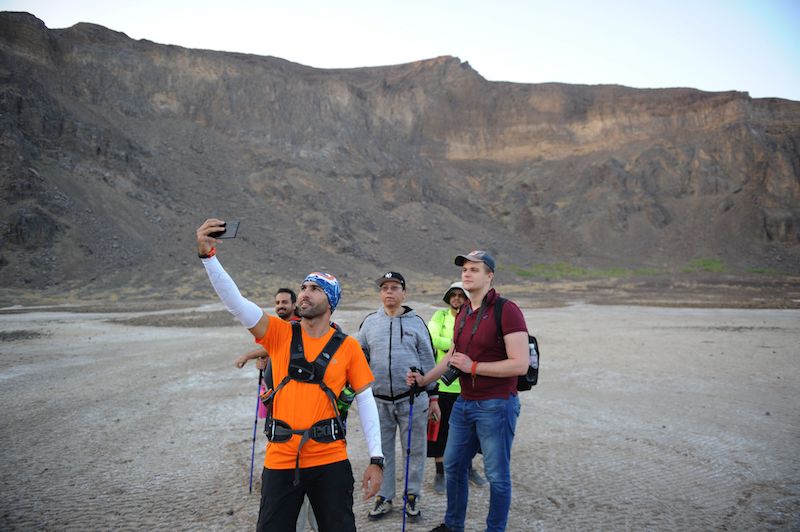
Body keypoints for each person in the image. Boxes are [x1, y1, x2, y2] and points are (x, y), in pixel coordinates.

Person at [196, 218, 384, 532]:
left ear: (331, 301)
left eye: (315, 288)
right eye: (304, 286)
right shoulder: (279, 334)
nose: (305, 292)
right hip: (280, 459)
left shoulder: (348, 347)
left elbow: (365, 402)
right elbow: (236, 303)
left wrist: (376, 460)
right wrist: (209, 256)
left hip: (330, 459)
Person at [407, 251, 530, 532]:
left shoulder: (507, 310)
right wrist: (424, 379)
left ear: (490, 276)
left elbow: (520, 364)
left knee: (497, 476)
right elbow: (452, 355)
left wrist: (473, 366)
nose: (467, 274)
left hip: (497, 405)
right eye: (465, 269)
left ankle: (494, 529)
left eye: (475, 269)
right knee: (453, 466)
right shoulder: (463, 312)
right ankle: (453, 526)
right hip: (464, 404)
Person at [355, 272, 439, 521]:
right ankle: (385, 496)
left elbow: (428, 359)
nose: (389, 292)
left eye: (394, 288)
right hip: (379, 400)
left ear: (404, 293)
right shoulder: (370, 322)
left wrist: (433, 398)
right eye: (384, 288)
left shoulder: (417, 323)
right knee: (383, 451)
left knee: (414, 449)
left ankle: (412, 495)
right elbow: (360, 357)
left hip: (412, 400)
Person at [233, 287, 319, 532]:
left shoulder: (296, 327)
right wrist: (266, 360)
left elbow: (280, 347)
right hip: (277, 407)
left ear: (294, 305)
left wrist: (250, 354)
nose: (280, 306)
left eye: (285, 302)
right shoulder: (278, 327)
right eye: (277, 302)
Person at [426, 281, 486, 494]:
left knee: (469, 432)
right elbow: (432, 339)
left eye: (461, 295)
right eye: (453, 295)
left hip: (466, 386)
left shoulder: (475, 317)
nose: (457, 298)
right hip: (443, 385)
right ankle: (440, 473)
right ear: (448, 298)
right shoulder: (440, 317)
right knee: (440, 432)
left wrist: (454, 345)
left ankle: (468, 468)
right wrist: (456, 344)